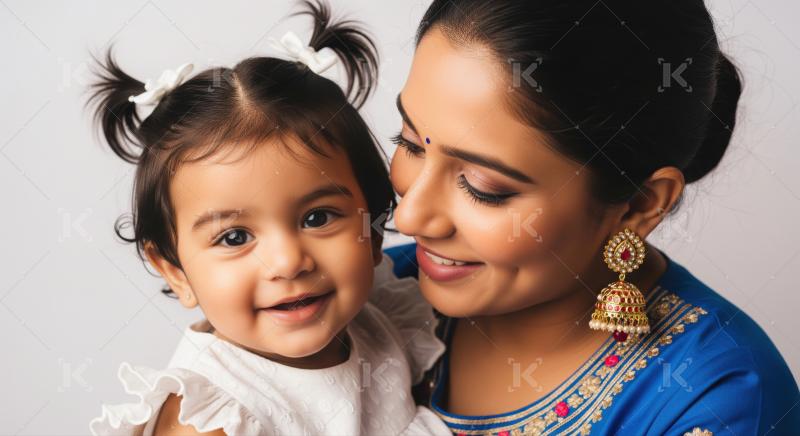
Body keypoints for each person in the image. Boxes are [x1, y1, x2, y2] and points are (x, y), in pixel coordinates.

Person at [384, 0, 800, 434]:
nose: (410, 217)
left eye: (484, 187)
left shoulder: (718, 402)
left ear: (640, 206)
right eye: (411, 143)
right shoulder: (370, 292)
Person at [87, 1, 450, 434]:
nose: (287, 262)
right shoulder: (214, 417)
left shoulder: (383, 320)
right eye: (235, 237)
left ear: (372, 230)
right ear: (175, 270)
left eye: (317, 218)